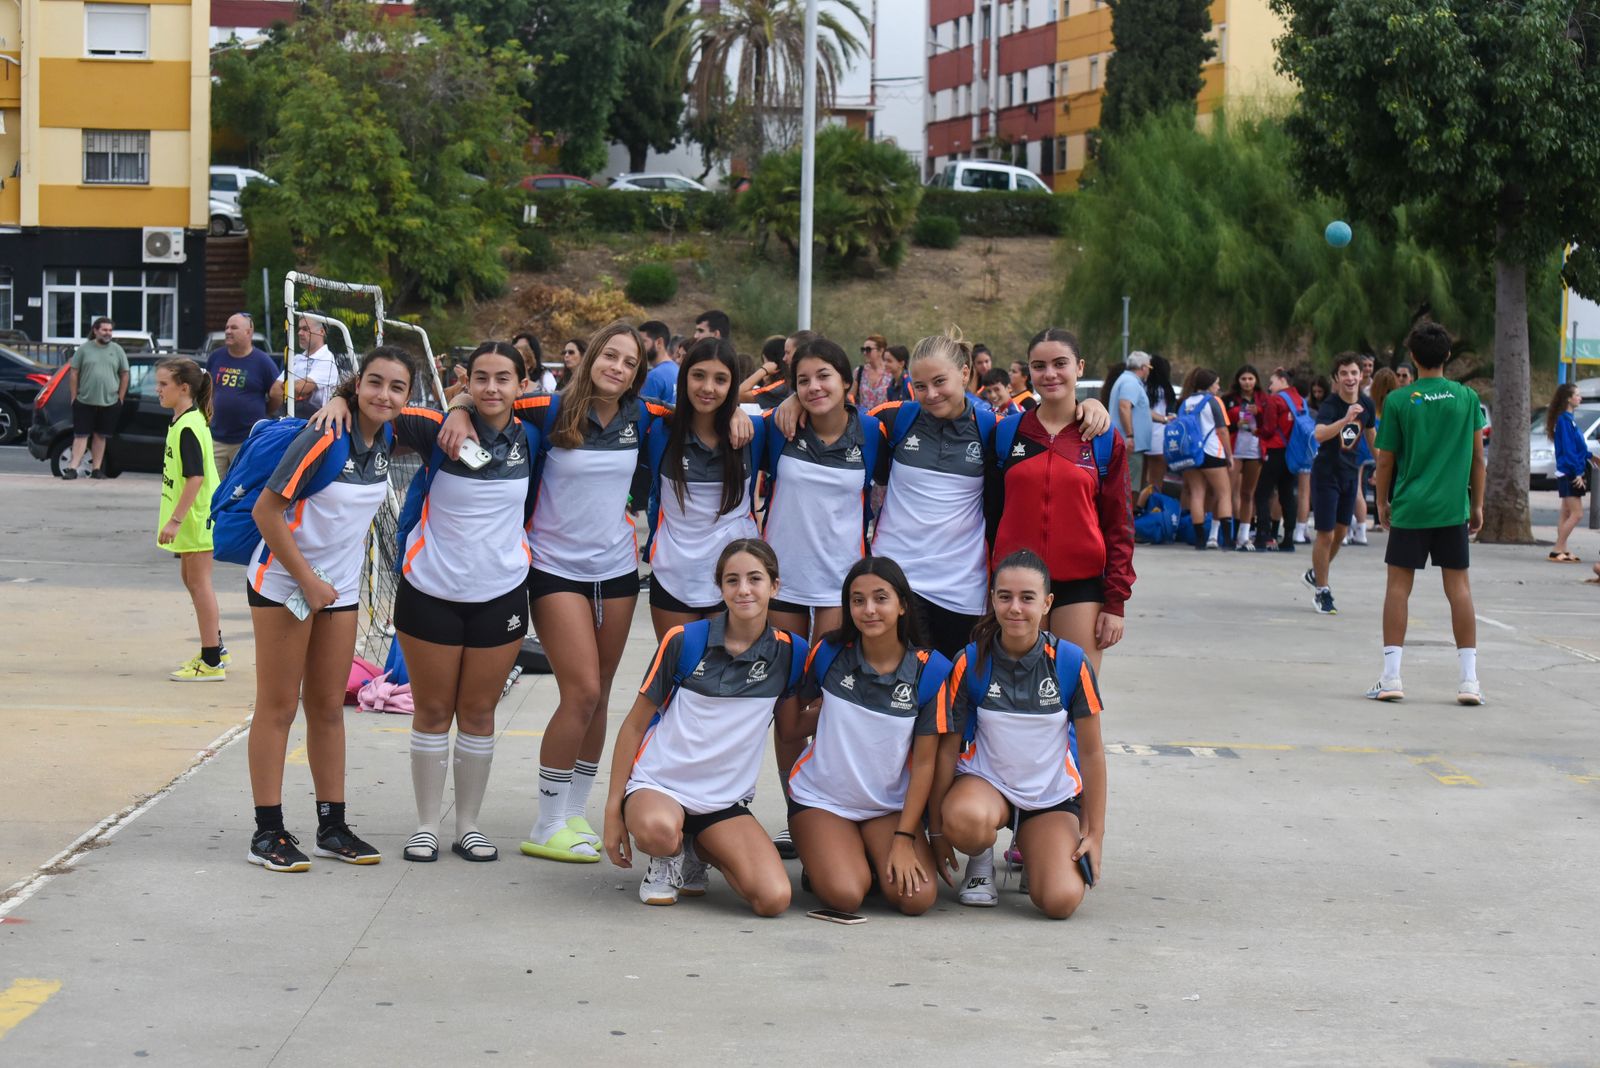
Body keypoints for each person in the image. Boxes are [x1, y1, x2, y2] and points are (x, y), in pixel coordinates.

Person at [244, 347, 414, 872]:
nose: (384, 394)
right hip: (284, 583)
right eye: (375, 383)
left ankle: (332, 826)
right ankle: (267, 833)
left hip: (338, 591)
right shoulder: (324, 434)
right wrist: (307, 581)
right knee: (278, 707)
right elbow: (266, 511)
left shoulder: (386, 437)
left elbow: (464, 404)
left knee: (327, 709)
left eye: (398, 387)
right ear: (357, 385)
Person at [864, 330, 1109, 657]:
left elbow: (1045, 431)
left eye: (940, 381)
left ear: (964, 373)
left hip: (961, 589)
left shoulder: (994, 428)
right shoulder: (894, 417)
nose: (931, 394)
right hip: (895, 580)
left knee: (954, 684)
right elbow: (835, 421)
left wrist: (1090, 405)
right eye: (920, 386)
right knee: (897, 683)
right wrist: (799, 401)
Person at [603, 539, 805, 914]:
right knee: (659, 831)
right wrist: (612, 812)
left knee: (773, 899)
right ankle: (668, 856)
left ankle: (695, 848)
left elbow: (793, 728)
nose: (743, 589)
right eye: (732, 580)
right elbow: (633, 726)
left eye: (755, 579)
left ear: (774, 586)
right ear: (721, 588)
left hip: (723, 801)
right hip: (660, 787)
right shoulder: (685, 640)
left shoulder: (791, 652)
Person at [759, 336, 882, 858]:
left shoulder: (873, 432)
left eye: (824, 376)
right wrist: (785, 401)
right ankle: (797, 812)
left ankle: (830, 807)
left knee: (831, 703)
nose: (813, 387)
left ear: (847, 382)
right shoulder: (778, 426)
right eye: (803, 380)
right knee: (788, 707)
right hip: (783, 584)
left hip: (840, 588)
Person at [935, 550, 1106, 917]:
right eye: (1005, 596)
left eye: (1027, 598)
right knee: (965, 819)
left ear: (1047, 604)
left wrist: (1095, 833)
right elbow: (948, 748)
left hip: (1049, 796)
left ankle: (1036, 850)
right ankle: (980, 860)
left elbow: (1092, 754)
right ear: (992, 599)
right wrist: (937, 827)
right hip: (987, 784)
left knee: (1059, 901)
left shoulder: (1071, 662)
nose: (1015, 608)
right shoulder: (970, 660)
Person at [780, 557, 952, 916]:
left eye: (880, 598)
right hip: (822, 800)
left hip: (887, 808)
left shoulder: (931, 670)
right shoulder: (828, 652)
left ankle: (865, 856)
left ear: (903, 605)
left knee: (917, 899)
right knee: (845, 895)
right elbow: (793, 725)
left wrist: (905, 838)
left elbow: (924, 765)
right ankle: (829, 856)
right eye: (858, 600)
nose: (869, 609)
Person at [991, 327, 1133, 677]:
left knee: (1076, 694)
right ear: (1029, 371)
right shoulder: (1006, 433)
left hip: (1080, 586)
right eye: (1039, 366)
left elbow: (1119, 525)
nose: (1050, 374)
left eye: (1060, 363)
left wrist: (1115, 603)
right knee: (1018, 696)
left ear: (1079, 367)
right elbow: (989, 517)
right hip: (1017, 586)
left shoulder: (1102, 438)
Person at [1368, 322, 1486, 704]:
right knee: (1459, 589)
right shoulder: (1467, 398)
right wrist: (1477, 504)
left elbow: (1385, 460)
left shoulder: (1399, 401)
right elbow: (1478, 459)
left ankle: (1391, 678)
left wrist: (1382, 503)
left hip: (1411, 507)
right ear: (1448, 355)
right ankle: (1469, 681)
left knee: (1398, 588)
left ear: (1413, 356)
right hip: (1453, 509)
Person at [643, 337, 760, 637]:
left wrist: (739, 410)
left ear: (732, 385)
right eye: (698, 375)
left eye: (720, 379)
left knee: (733, 667)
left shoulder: (754, 431)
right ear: (684, 377)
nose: (708, 388)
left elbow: (811, 417)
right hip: (673, 576)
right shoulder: (659, 429)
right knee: (679, 665)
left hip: (737, 578)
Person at [155, 358, 223, 683]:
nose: (158, 390)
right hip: (192, 517)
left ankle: (211, 661)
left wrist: (176, 520)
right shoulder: (184, 420)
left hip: (196, 517)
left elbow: (195, 477)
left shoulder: (189, 426)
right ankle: (216, 647)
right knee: (192, 580)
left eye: (163, 384)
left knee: (199, 583)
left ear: (183, 388)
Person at [1304, 353, 1375, 615]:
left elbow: (1372, 437)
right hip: (1326, 475)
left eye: (1354, 372)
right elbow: (1319, 434)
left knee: (1341, 533)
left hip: (1349, 475)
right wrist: (1345, 419)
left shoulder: (1366, 404)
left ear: (1361, 375)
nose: (1350, 378)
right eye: (1344, 373)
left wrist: (1383, 468)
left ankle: (1316, 573)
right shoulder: (1331, 405)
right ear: (1336, 378)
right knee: (1326, 534)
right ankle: (1322, 591)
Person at [206, 312, 283, 476]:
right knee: (213, 487)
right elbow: (207, 390)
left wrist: (265, 410)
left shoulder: (263, 362)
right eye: (227, 327)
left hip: (246, 441)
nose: (228, 331)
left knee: (239, 487)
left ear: (249, 332)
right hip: (216, 439)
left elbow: (277, 394)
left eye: (234, 328)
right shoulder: (216, 357)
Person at [1176, 368, 1234, 550]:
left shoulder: (1185, 402)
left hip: (1191, 453)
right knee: (1224, 493)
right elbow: (1222, 430)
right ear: (1209, 385)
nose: (1218, 387)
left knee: (1197, 494)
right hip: (1212, 452)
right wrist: (1229, 455)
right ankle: (1228, 540)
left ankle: (1200, 540)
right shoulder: (1214, 401)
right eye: (1216, 383)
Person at [65, 317, 129, 479]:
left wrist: (120, 398)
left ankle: (96, 469)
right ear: (95, 331)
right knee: (80, 435)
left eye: (110, 330)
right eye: (104, 330)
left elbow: (124, 374)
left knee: (101, 436)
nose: (108, 333)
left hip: (109, 402)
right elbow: (74, 373)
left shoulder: (117, 350)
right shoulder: (84, 349)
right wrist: (74, 396)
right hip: (84, 400)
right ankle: (72, 468)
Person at [1252, 368, 1299, 552]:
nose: (1270, 387)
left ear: (1282, 380)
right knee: (1287, 494)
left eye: (1271, 383)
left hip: (1276, 449)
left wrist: (1256, 430)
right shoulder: (1298, 399)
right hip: (1292, 451)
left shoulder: (1275, 400)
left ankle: (1263, 536)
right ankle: (1288, 538)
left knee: (1262, 493)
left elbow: (1269, 429)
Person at [1547, 384, 1592, 563]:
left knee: (1566, 512)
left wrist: (1591, 456)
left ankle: (1563, 550)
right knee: (1577, 513)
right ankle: (1557, 549)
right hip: (1569, 472)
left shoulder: (1568, 420)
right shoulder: (1564, 421)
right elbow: (1569, 450)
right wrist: (1577, 472)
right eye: (1577, 395)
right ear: (1568, 398)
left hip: (1567, 471)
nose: (1580, 398)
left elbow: (1577, 446)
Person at [1223, 365, 1267, 550]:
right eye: (1244, 379)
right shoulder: (1229, 399)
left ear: (1256, 380)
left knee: (1248, 493)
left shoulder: (1263, 399)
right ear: (1238, 380)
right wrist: (1236, 424)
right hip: (1235, 450)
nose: (1247, 382)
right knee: (1227, 491)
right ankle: (1223, 533)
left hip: (1255, 450)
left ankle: (1244, 534)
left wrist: (1260, 413)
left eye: (1250, 379)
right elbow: (1222, 425)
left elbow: (1269, 426)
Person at [1108, 351, 1153, 502]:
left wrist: (1165, 419)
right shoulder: (1131, 383)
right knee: (1130, 488)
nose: (1149, 371)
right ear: (1143, 367)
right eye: (1149, 368)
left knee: (1127, 485)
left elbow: (1140, 410)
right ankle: (1127, 517)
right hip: (1130, 445)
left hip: (1128, 443)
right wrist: (1130, 436)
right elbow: (1124, 407)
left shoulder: (1127, 380)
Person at [282, 316, 343, 417]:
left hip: (317, 419)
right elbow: (275, 390)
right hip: (292, 415)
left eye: (305, 329)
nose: (300, 333)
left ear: (321, 331)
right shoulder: (297, 359)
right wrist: (294, 389)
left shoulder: (327, 359)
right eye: (299, 329)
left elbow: (299, 388)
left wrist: (290, 388)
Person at [1143, 354, 1176, 492]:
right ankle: (1152, 504)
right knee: (1156, 483)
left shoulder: (1142, 387)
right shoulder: (1167, 390)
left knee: (1139, 482)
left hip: (1142, 438)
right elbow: (1171, 414)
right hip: (1160, 440)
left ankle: (1138, 504)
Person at [638, 320, 678, 406]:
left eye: (643, 341)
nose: (639, 346)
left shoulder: (654, 377)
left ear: (659, 343)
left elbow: (642, 412)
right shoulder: (677, 369)